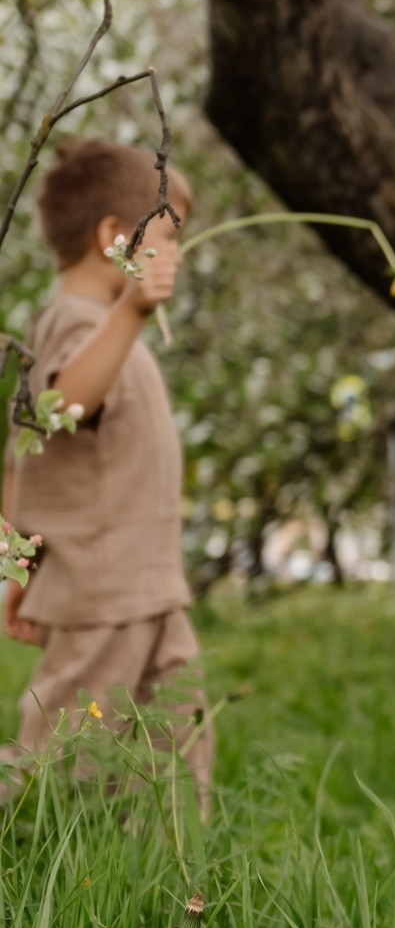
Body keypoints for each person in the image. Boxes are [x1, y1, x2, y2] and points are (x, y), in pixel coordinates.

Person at [2, 136, 212, 811]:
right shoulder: (78, 320)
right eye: (170, 235)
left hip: (148, 587)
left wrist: (20, 560)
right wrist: (132, 310)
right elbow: (60, 408)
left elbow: (30, 463)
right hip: (104, 586)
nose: (177, 255)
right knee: (63, 754)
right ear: (115, 237)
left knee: (175, 744)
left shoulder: (104, 328)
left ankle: (168, 873)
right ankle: (29, 846)